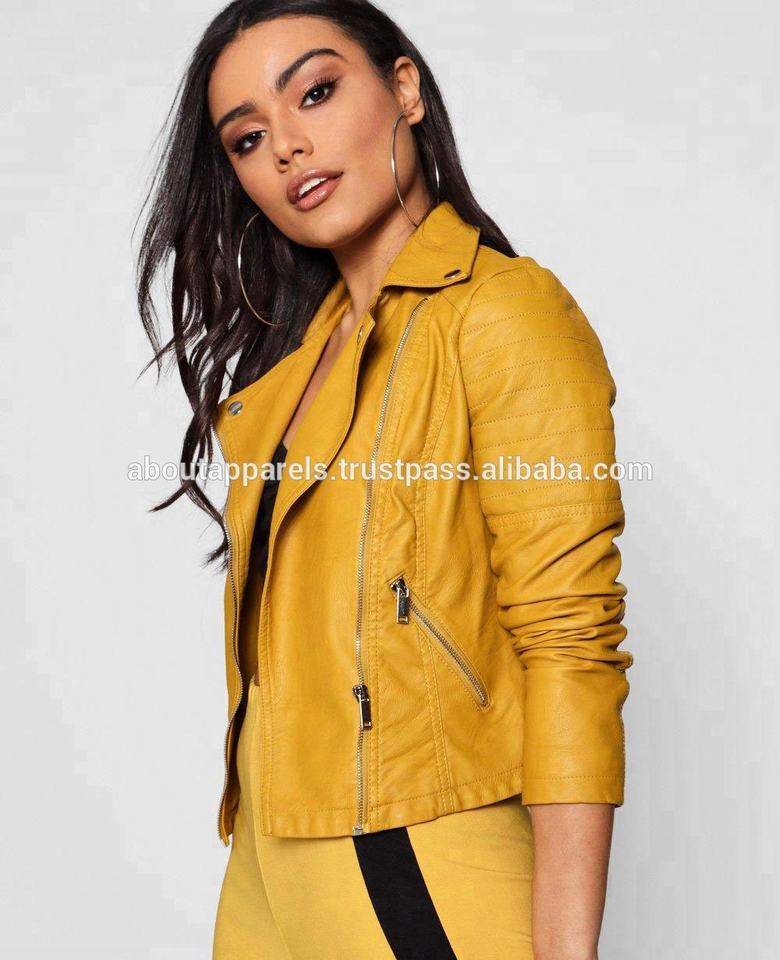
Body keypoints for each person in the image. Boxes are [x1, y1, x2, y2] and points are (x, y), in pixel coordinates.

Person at [135, 1, 633, 957]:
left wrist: (565, 950)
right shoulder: (298, 363)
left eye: (316, 93)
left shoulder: (502, 312)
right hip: (268, 862)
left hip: (412, 852)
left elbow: (571, 639)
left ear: (404, 90)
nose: (287, 146)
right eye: (247, 138)